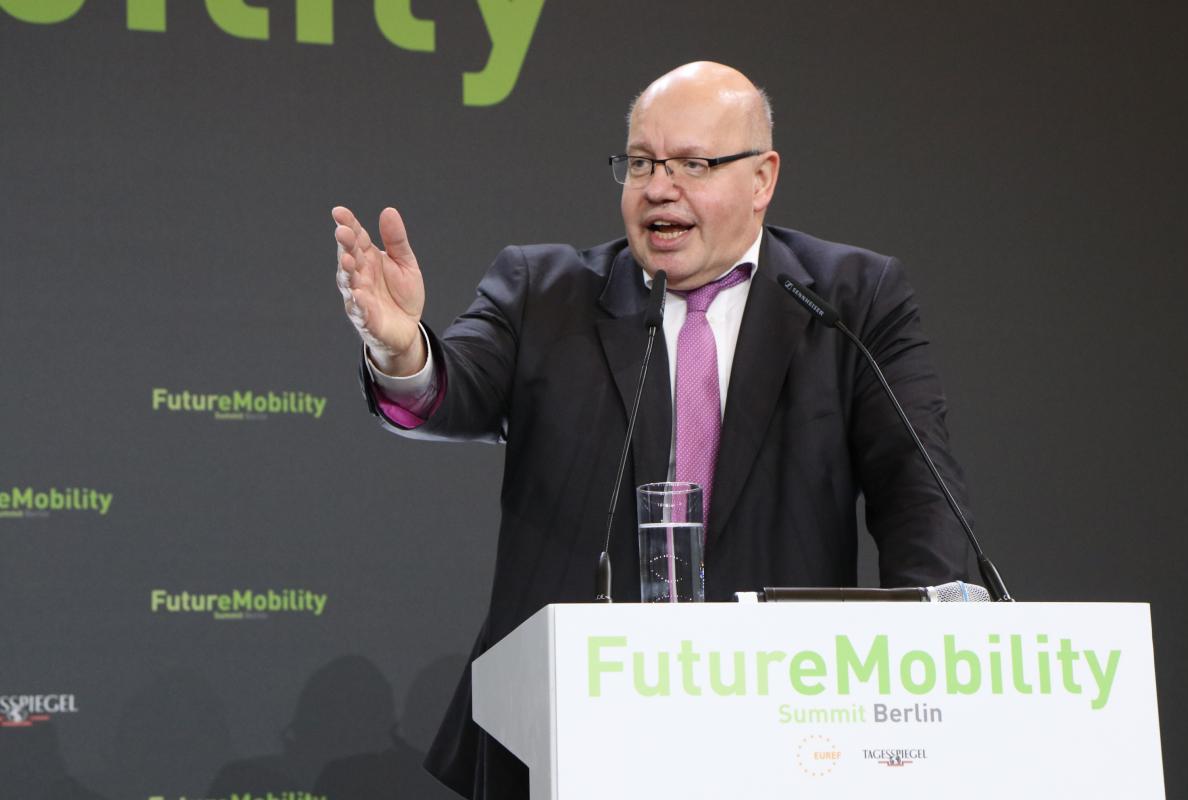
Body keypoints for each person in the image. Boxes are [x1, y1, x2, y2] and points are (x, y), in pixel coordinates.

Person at [333, 61, 970, 800]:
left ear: (762, 179)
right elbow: (452, 391)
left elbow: (918, 491)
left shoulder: (852, 301)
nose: (659, 188)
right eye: (641, 164)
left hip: (789, 733)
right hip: (569, 735)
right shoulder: (546, 292)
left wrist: (939, 667)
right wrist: (399, 347)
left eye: (693, 164)